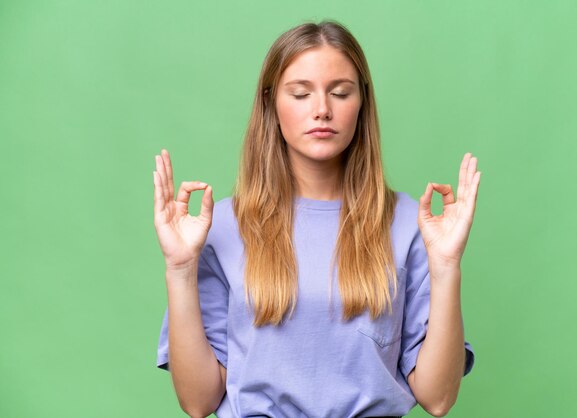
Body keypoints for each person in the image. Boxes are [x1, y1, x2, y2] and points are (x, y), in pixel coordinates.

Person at [153, 20, 481, 418]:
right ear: (271, 104)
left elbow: (439, 398)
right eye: (301, 93)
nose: (322, 110)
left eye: (340, 92)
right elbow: (197, 401)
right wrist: (180, 267)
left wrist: (446, 266)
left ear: (362, 103)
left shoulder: (414, 225)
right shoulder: (218, 228)